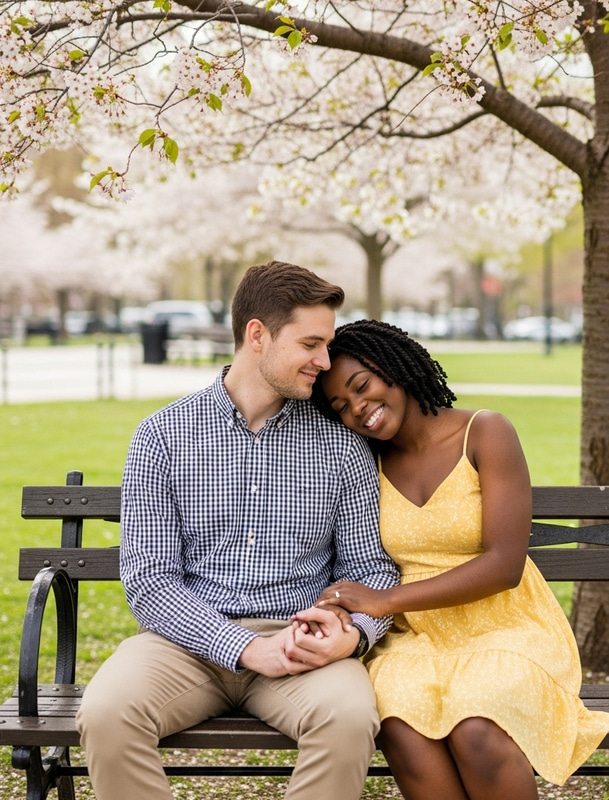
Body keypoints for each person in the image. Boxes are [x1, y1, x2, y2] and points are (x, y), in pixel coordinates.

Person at [76, 262, 400, 800]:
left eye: (327, 344)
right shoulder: (162, 436)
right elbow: (150, 582)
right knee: (108, 712)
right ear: (258, 336)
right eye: (311, 343)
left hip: (298, 644)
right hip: (183, 643)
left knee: (347, 718)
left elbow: (370, 571)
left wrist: (354, 632)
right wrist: (244, 648)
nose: (325, 361)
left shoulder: (343, 446)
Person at [311, 319, 609, 800]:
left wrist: (385, 600)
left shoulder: (485, 432)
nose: (358, 409)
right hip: (417, 637)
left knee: (477, 727)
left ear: (394, 368)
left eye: (362, 386)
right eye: (341, 406)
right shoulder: (365, 461)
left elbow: (504, 564)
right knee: (401, 723)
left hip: (505, 625)